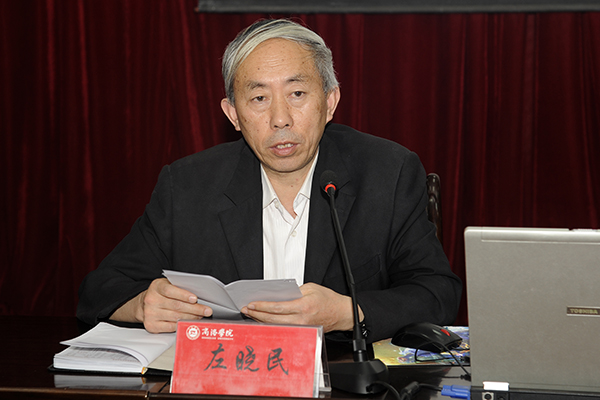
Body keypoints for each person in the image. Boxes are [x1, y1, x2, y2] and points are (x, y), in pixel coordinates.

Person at [77, 19, 461, 343]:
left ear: (329, 102)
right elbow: (100, 289)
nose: (280, 119)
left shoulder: (387, 173)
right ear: (233, 114)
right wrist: (143, 304)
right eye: (259, 98)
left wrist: (347, 312)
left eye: (297, 93)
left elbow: (438, 293)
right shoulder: (188, 185)